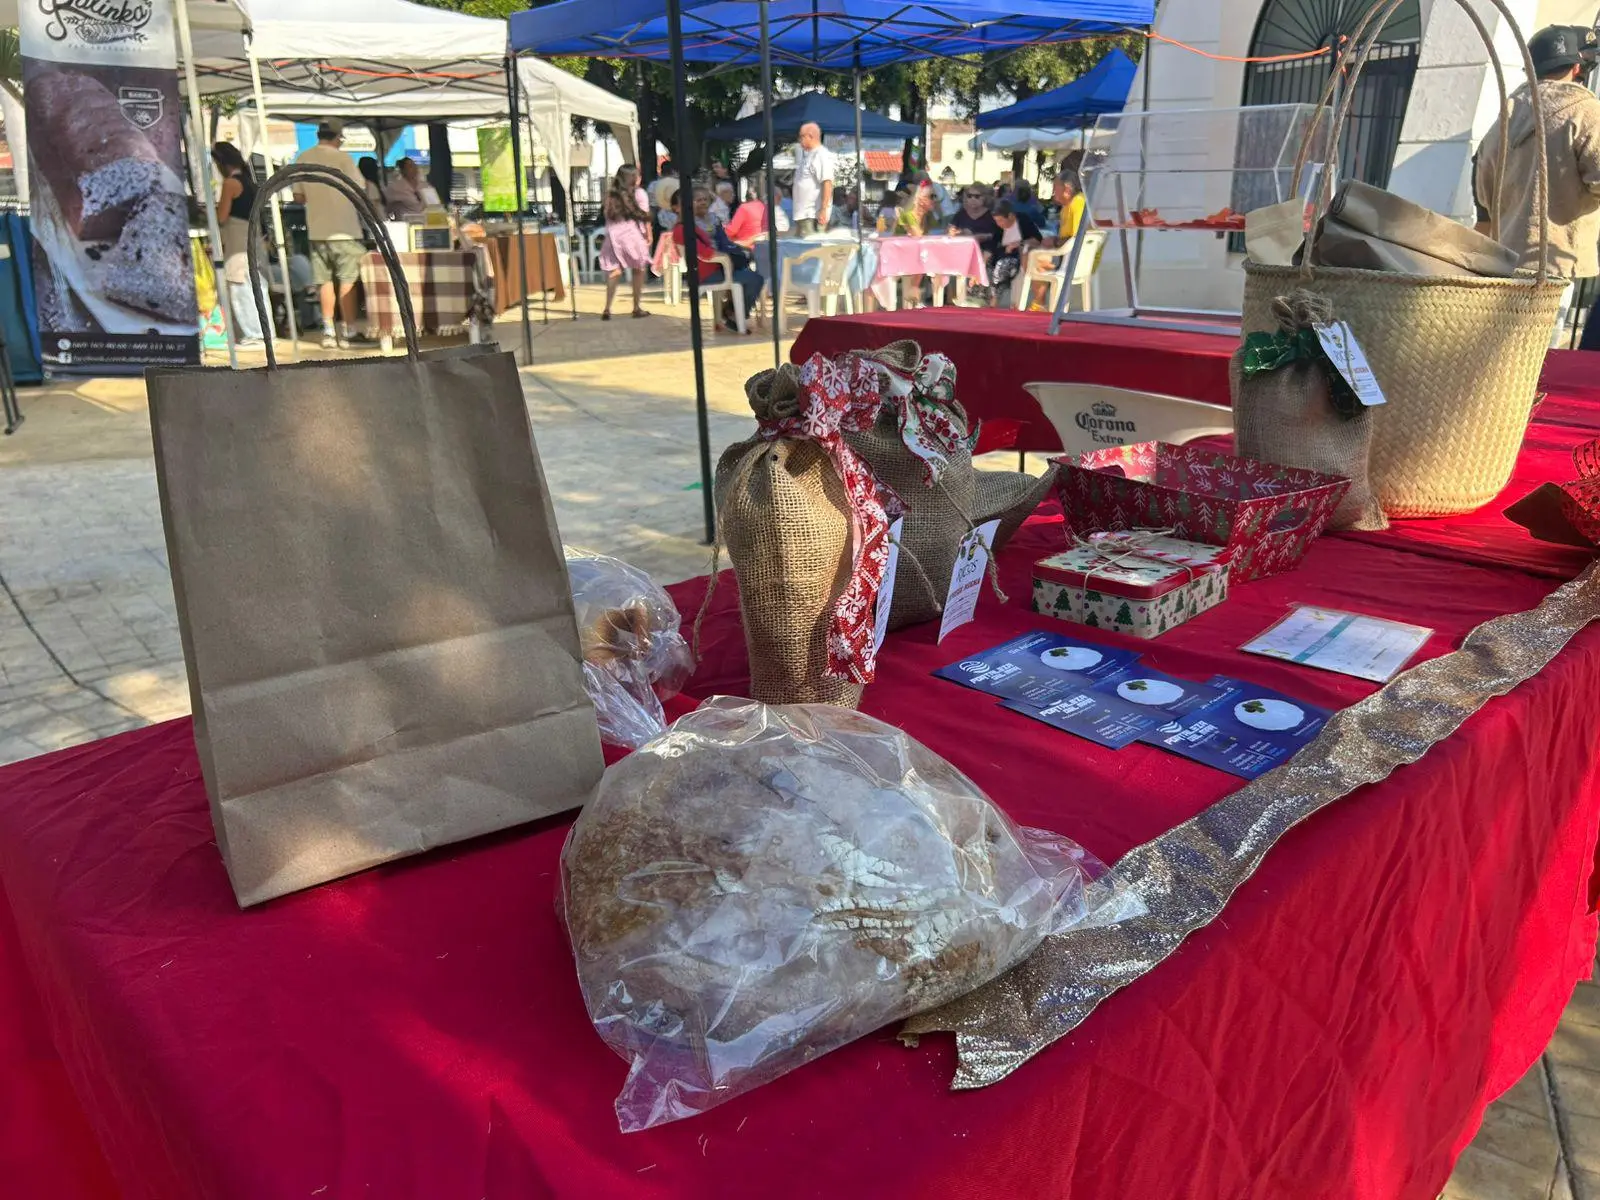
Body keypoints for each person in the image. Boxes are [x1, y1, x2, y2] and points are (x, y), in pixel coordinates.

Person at [1477, 25, 1600, 347]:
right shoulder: (1586, 110)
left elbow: (1482, 183)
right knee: (1537, 357)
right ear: (1577, 68)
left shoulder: (1508, 109)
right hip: (1554, 258)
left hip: (1505, 256)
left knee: (1502, 350)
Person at [293, 122, 368, 350]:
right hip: (344, 229)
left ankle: (327, 331)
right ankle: (348, 329)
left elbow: (298, 197)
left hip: (317, 230)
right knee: (347, 279)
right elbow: (360, 189)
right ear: (338, 137)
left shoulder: (303, 157)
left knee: (323, 280)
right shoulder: (343, 159)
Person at [672, 186, 763, 333]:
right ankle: (733, 313)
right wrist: (725, 257)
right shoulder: (686, 227)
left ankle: (730, 311)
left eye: (705, 199)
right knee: (755, 279)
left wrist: (736, 253)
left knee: (747, 271)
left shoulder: (713, 219)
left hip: (720, 265)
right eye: (698, 200)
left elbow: (724, 241)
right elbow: (704, 253)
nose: (702, 203)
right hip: (707, 270)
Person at [210, 141, 269, 346]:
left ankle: (253, 332)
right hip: (254, 237)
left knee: (240, 284)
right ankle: (263, 329)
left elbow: (221, 216)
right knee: (257, 284)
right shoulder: (250, 182)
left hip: (237, 238)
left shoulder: (231, 184)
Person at [599, 165, 652, 321]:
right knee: (639, 269)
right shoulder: (639, 193)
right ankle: (636, 307)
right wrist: (648, 235)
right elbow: (644, 216)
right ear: (633, 178)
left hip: (613, 236)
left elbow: (607, 217)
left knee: (615, 271)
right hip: (632, 235)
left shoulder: (610, 195)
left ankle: (607, 307)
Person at [989, 198, 1044, 306]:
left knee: (1003, 266)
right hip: (1002, 255)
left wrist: (1018, 243)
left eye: (1000, 220)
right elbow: (994, 244)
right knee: (992, 264)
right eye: (996, 221)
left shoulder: (1023, 220)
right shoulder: (997, 226)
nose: (998, 224)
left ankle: (995, 301)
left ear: (1010, 216)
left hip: (1019, 256)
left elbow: (1037, 239)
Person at [791, 121, 835, 235]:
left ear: (810, 136)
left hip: (812, 215)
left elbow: (827, 182)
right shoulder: (808, 156)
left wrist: (823, 210)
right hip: (803, 215)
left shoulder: (821, 154)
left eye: (801, 136)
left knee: (809, 251)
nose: (799, 140)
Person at [724, 175, 771, 248]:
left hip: (747, 244)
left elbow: (732, 230)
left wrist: (723, 229)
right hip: (764, 243)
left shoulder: (744, 208)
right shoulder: (766, 207)